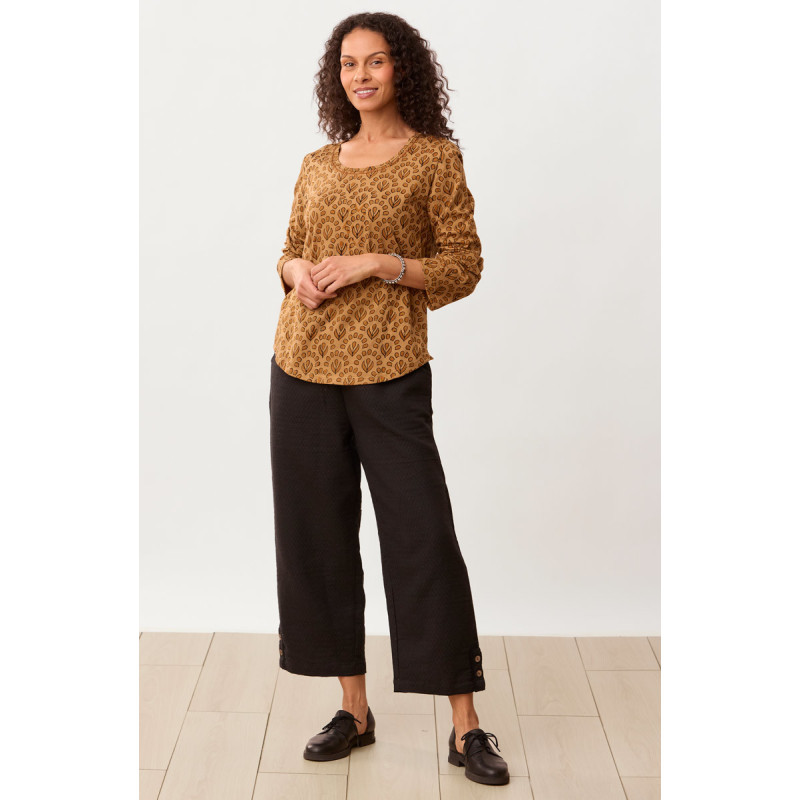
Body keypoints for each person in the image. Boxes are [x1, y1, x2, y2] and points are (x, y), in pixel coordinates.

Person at [269, 13, 509, 786]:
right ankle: (354, 709)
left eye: (375, 62)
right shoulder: (317, 163)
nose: (361, 76)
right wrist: (296, 275)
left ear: (401, 69)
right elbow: (289, 250)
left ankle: (465, 725)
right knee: (318, 538)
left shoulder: (435, 159)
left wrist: (380, 262)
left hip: (390, 367)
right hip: (301, 367)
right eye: (348, 64)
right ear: (335, 76)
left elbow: (463, 267)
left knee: (422, 538)